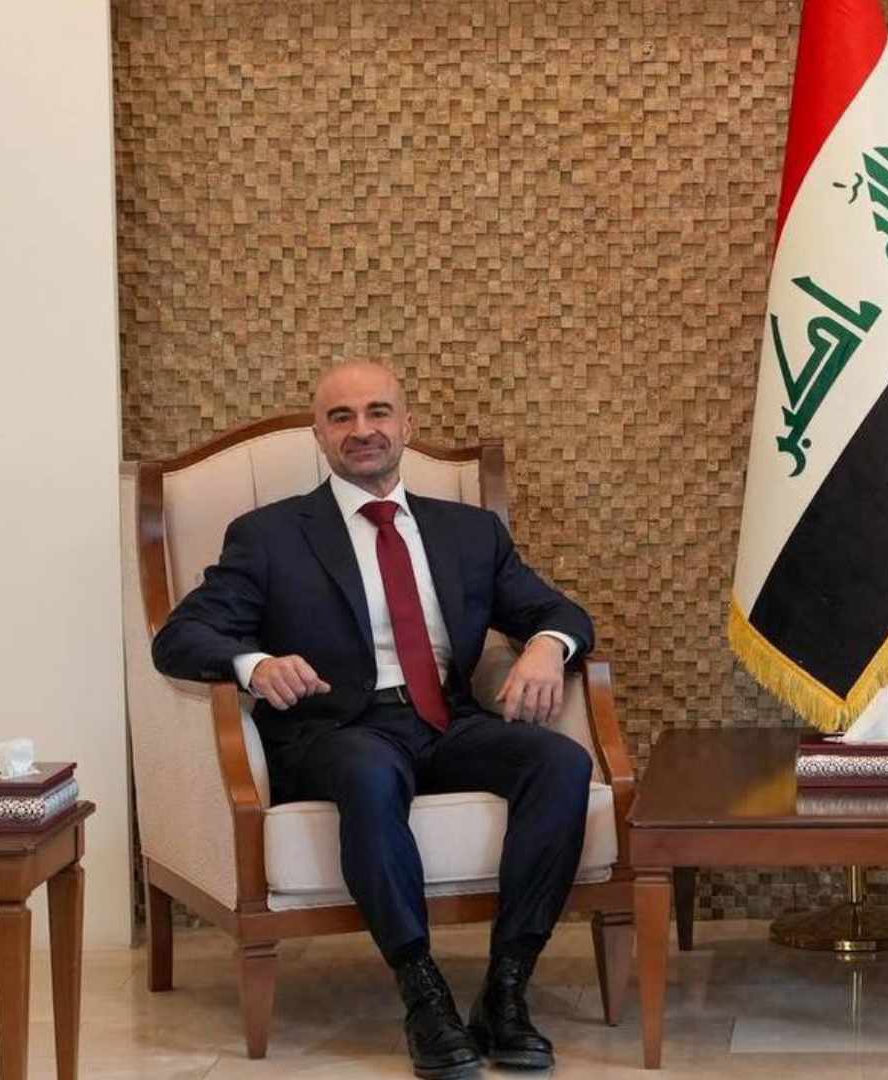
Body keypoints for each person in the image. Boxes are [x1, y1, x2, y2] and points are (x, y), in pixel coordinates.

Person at [153, 361, 595, 1079]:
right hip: (335, 732)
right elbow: (180, 637)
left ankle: (507, 990)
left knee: (561, 762)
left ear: (406, 426)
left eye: (378, 412)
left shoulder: (470, 532)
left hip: (446, 721)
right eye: (342, 417)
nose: (362, 430)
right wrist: (254, 664)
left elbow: (559, 611)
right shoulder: (269, 536)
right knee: (369, 769)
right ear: (319, 436)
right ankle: (423, 995)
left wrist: (547, 646)